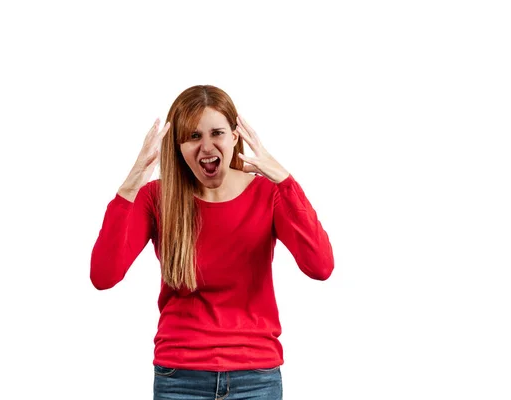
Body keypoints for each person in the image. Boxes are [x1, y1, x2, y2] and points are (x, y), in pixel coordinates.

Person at [90, 85, 334, 399]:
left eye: (216, 132)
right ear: (177, 145)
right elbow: (103, 276)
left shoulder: (268, 193)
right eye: (193, 136)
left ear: (235, 136)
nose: (206, 146)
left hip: (256, 377)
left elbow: (321, 266)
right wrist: (136, 175)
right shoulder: (157, 198)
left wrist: (284, 179)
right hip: (179, 377)